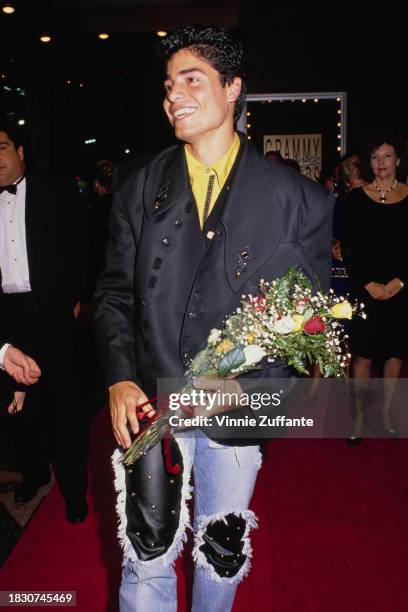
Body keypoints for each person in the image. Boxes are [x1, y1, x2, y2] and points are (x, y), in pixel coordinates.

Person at [94, 25, 333, 612]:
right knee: (145, 555)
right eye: (168, 84)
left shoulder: (298, 199)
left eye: (192, 79)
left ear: (233, 89)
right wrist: (119, 376)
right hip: (152, 402)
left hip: (238, 409)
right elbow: (114, 295)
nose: (174, 94)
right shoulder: (138, 185)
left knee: (221, 556)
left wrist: (246, 385)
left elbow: (310, 324)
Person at [0, 119, 89, 521]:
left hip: (51, 310)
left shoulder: (54, 189)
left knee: (64, 404)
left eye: (2, 147)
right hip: (7, 316)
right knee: (20, 406)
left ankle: (74, 490)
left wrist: (77, 297)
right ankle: (34, 473)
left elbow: (81, 242)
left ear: (20, 152)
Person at [342, 134, 408, 444]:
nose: (380, 163)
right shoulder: (355, 199)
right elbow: (350, 248)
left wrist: (399, 281)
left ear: (397, 161)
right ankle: (357, 420)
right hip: (365, 288)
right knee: (363, 356)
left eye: (386, 156)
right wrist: (368, 282)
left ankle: (384, 413)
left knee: (395, 355)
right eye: (375, 157)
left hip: (400, 289)